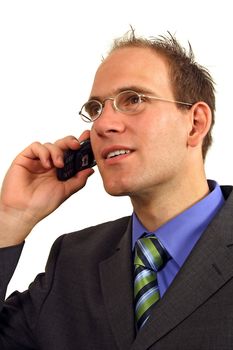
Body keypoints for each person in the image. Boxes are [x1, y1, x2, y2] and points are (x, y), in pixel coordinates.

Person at [0, 29, 232, 350]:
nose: (103, 124)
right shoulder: (72, 261)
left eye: (134, 99)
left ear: (195, 123)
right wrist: (10, 220)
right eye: (96, 108)